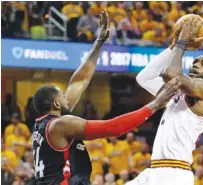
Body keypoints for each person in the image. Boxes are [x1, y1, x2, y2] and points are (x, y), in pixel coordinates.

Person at [32, 10, 181, 185]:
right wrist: (155, 104)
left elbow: (79, 81)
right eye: (63, 96)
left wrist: (99, 42)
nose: (68, 98)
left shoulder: (45, 124)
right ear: (56, 103)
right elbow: (112, 128)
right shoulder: (60, 125)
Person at [130, 16, 203, 185]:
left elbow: (170, 74)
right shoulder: (176, 91)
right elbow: (144, 78)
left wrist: (182, 43)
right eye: (195, 61)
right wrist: (172, 47)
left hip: (174, 172)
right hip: (156, 169)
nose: (196, 63)